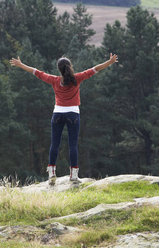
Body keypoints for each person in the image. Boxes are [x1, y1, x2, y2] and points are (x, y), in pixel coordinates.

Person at [10, 54, 118, 185]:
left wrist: (21, 65)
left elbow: (36, 72)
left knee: (54, 144)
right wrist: (110, 62)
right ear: (70, 67)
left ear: (59, 69)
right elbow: (95, 69)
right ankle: (74, 175)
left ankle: (51, 174)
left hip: (57, 114)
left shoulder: (55, 80)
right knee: (73, 145)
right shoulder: (77, 78)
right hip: (73, 114)